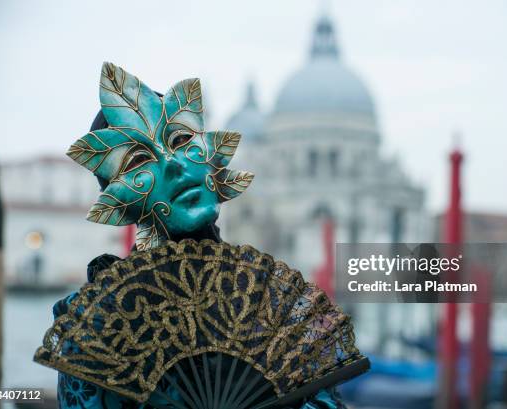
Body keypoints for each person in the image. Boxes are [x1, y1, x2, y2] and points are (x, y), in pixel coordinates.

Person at [35, 63, 364, 408]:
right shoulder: (97, 322)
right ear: (118, 202)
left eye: (180, 141)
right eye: (138, 162)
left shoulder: (273, 307)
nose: (174, 165)